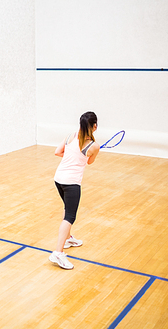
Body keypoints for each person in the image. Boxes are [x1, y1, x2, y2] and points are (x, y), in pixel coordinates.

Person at [49, 111, 100, 269]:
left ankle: (68, 238)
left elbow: (58, 152)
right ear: (95, 126)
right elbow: (89, 162)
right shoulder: (93, 146)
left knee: (67, 209)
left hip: (58, 179)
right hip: (72, 183)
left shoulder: (71, 136)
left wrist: (70, 157)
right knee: (70, 216)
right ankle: (58, 253)